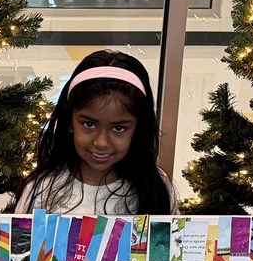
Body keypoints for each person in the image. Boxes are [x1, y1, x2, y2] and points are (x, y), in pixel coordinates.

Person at [13, 50, 174, 215]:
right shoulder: (43, 188)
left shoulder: (155, 189)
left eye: (119, 128)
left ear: (138, 128)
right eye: (89, 124)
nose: (101, 142)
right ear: (70, 121)